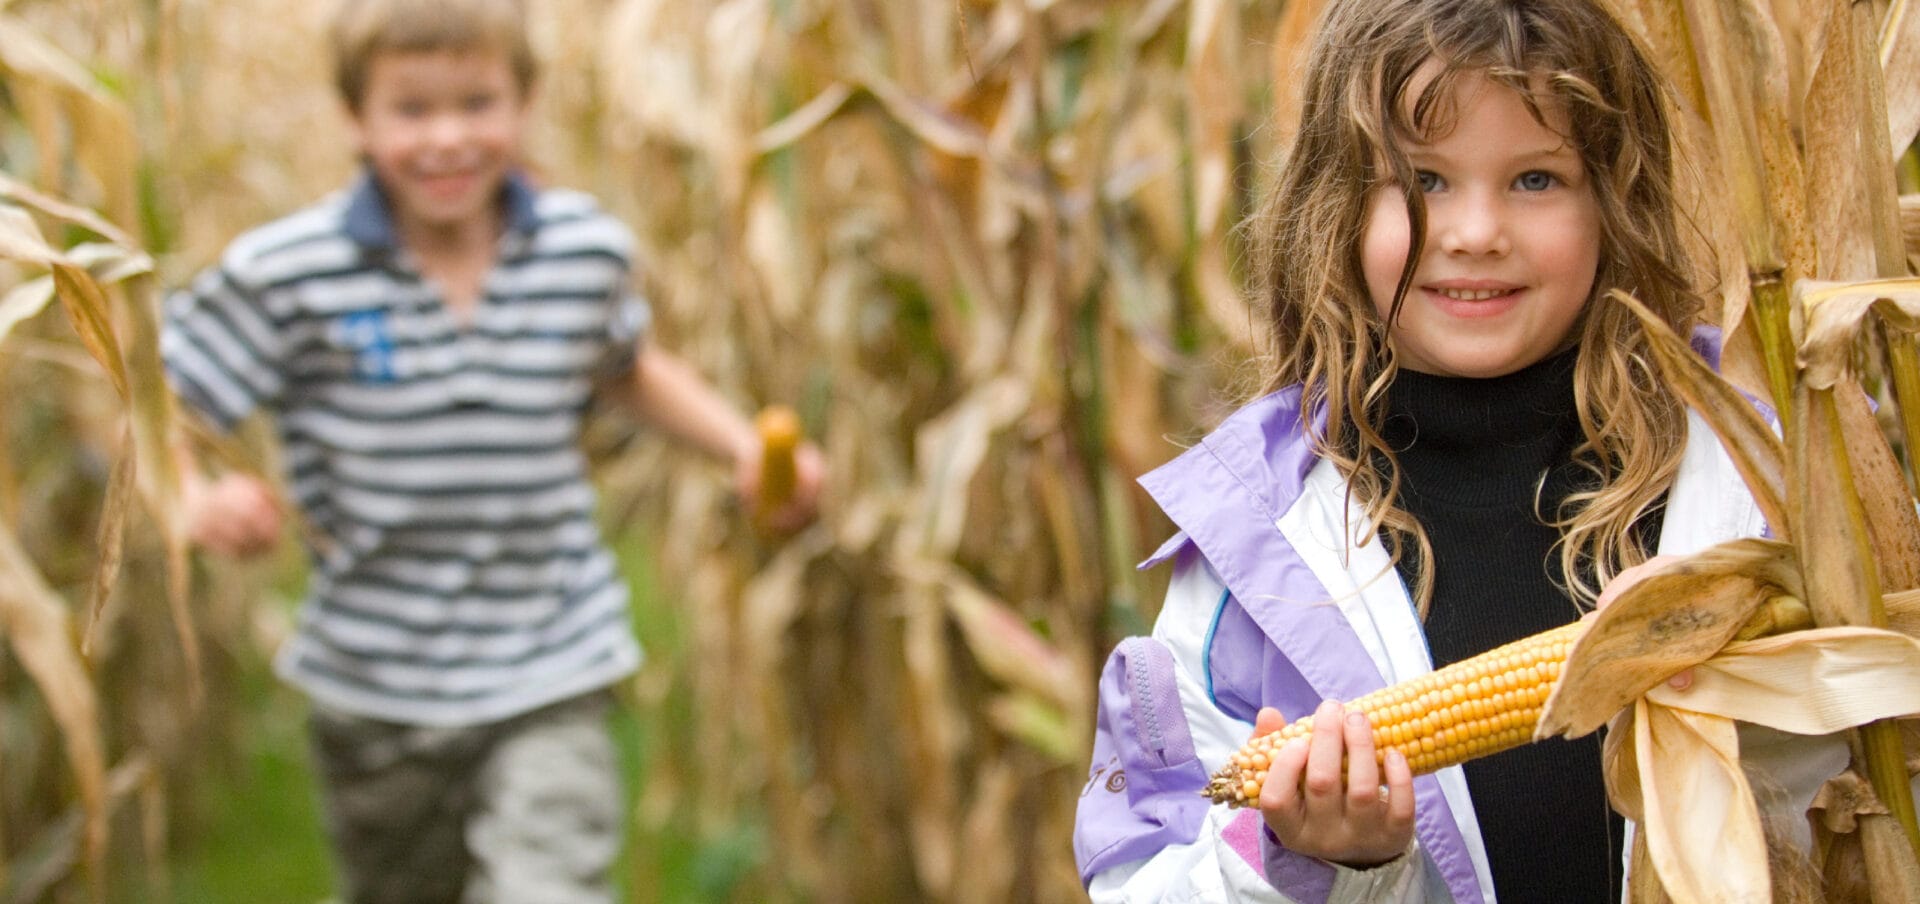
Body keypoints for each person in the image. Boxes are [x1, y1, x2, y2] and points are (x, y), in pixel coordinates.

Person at [1073, 1, 1848, 901]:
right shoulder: (1256, 548)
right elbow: (1144, 876)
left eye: (1536, 180)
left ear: (1614, 201)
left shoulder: (1768, 470)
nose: (1476, 231)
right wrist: (1319, 864)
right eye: (1424, 180)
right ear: (1339, 206)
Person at [160, 0, 822, 900]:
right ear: (356, 118)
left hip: (550, 657)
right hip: (376, 680)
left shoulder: (580, 250)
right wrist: (191, 495)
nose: (448, 138)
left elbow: (625, 369)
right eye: (412, 109)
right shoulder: (290, 272)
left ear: (524, 104)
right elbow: (160, 402)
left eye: (477, 103)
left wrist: (741, 446)